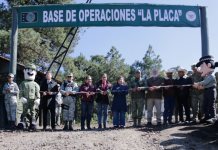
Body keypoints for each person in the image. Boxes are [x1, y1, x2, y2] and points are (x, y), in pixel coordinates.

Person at [193, 55, 218, 124]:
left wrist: (198, 84)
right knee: (205, 104)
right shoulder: (206, 76)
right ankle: (207, 116)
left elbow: (205, 82)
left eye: (202, 67)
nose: (200, 69)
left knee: (211, 104)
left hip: (211, 91)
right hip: (207, 90)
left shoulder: (211, 76)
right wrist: (200, 87)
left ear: (209, 65)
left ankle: (213, 117)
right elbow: (205, 85)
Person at [19, 64, 40, 130]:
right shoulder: (23, 83)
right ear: (24, 71)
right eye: (28, 70)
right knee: (24, 111)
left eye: (32, 70)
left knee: (33, 111)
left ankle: (33, 123)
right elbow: (20, 91)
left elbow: (37, 92)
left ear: (35, 73)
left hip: (33, 100)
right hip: (25, 99)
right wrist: (21, 97)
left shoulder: (35, 84)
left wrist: (38, 98)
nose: (30, 72)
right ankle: (23, 122)